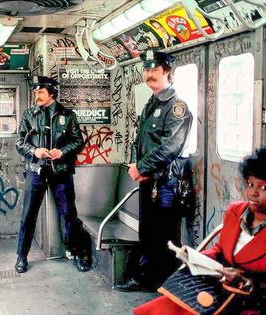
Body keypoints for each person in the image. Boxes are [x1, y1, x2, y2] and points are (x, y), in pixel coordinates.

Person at [134, 147, 266, 315]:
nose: (253, 193)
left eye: (264, 188)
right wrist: (196, 259)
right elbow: (220, 251)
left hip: (247, 304)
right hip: (215, 289)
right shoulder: (234, 212)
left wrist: (248, 283)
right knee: (159, 308)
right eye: (250, 184)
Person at [115, 50, 193, 291]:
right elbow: (142, 141)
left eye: (154, 70)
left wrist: (142, 167)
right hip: (150, 180)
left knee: (165, 236)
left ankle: (165, 285)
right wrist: (137, 166)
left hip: (167, 182)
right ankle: (149, 279)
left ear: (167, 71)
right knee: (148, 231)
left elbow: (171, 147)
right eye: (147, 70)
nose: (149, 75)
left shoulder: (177, 107)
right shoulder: (152, 101)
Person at [14, 76, 91, 273]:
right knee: (28, 214)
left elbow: (78, 141)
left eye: (40, 92)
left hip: (61, 171)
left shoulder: (67, 115)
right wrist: (34, 151)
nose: (36, 95)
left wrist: (62, 152)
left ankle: (75, 253)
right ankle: (21, 256)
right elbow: (19, 142)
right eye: (35, 92)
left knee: (68, 214)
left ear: (51, 93)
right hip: (36, 170)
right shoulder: (29, 115)